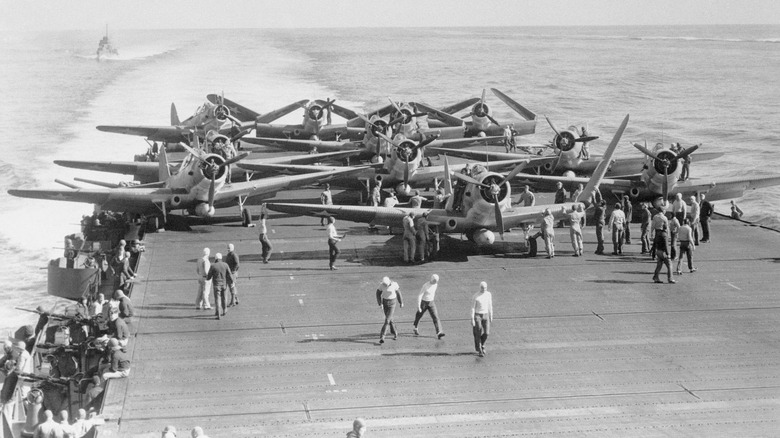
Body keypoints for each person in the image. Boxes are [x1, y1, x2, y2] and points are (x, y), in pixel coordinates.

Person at [413, 274, 444, 338]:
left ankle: (439, 332)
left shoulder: (435, 285)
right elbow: (420, 295)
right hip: (424, 303)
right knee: (419, 315)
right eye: (434, 281)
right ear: (431, 279)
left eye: (436, 281)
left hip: (431, 303)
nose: (435, 282)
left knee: (435, 316)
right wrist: (419, 306)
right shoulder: (425, 286)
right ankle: (415, 326)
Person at [376, 277, 403, 344]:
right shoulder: (381, 285)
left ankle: (382, 337)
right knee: (390, 319)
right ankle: (395, 333)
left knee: (387, 320)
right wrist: (380, 303)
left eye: (386, 285)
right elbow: (378, 293)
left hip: (392, 303)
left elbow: (398, 293)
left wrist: (401, 302)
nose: (386, 286)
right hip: (385, 302)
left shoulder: (394, 284)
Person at [207, 253, 233, 320]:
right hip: (224, 284)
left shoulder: (213, 266)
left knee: (217, 299)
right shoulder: (225, 265)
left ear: (216, 259)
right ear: (221, 258)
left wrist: (207, 277)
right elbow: (229, 274)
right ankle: (224, 310)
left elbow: (209, 277)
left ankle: (218, 314)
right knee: (224, 298)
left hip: (216, 285)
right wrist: (232, 281)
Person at [471, 282, 493, 357]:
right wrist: (472, 319)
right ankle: (480, 349)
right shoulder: (476, 296)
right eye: (482, 288)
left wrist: (491, 315)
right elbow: (473, 308)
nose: (484, 289)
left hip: (486, 315)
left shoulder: (488, 294)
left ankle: (481, 343)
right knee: (478, 331)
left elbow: (490, 305)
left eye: (485, 288)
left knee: (486, 333)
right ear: (480, 287)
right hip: (477, 315)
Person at [652, 220, 675, 284]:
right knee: (669, 265)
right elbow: (666, 245)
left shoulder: (658, 234)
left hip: (658, 251)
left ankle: (656, 277)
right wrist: (668, 254)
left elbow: (654, 243)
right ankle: (670, 278)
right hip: (663, 252)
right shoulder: (665, 235)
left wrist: (653, 252)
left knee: (659, 265)